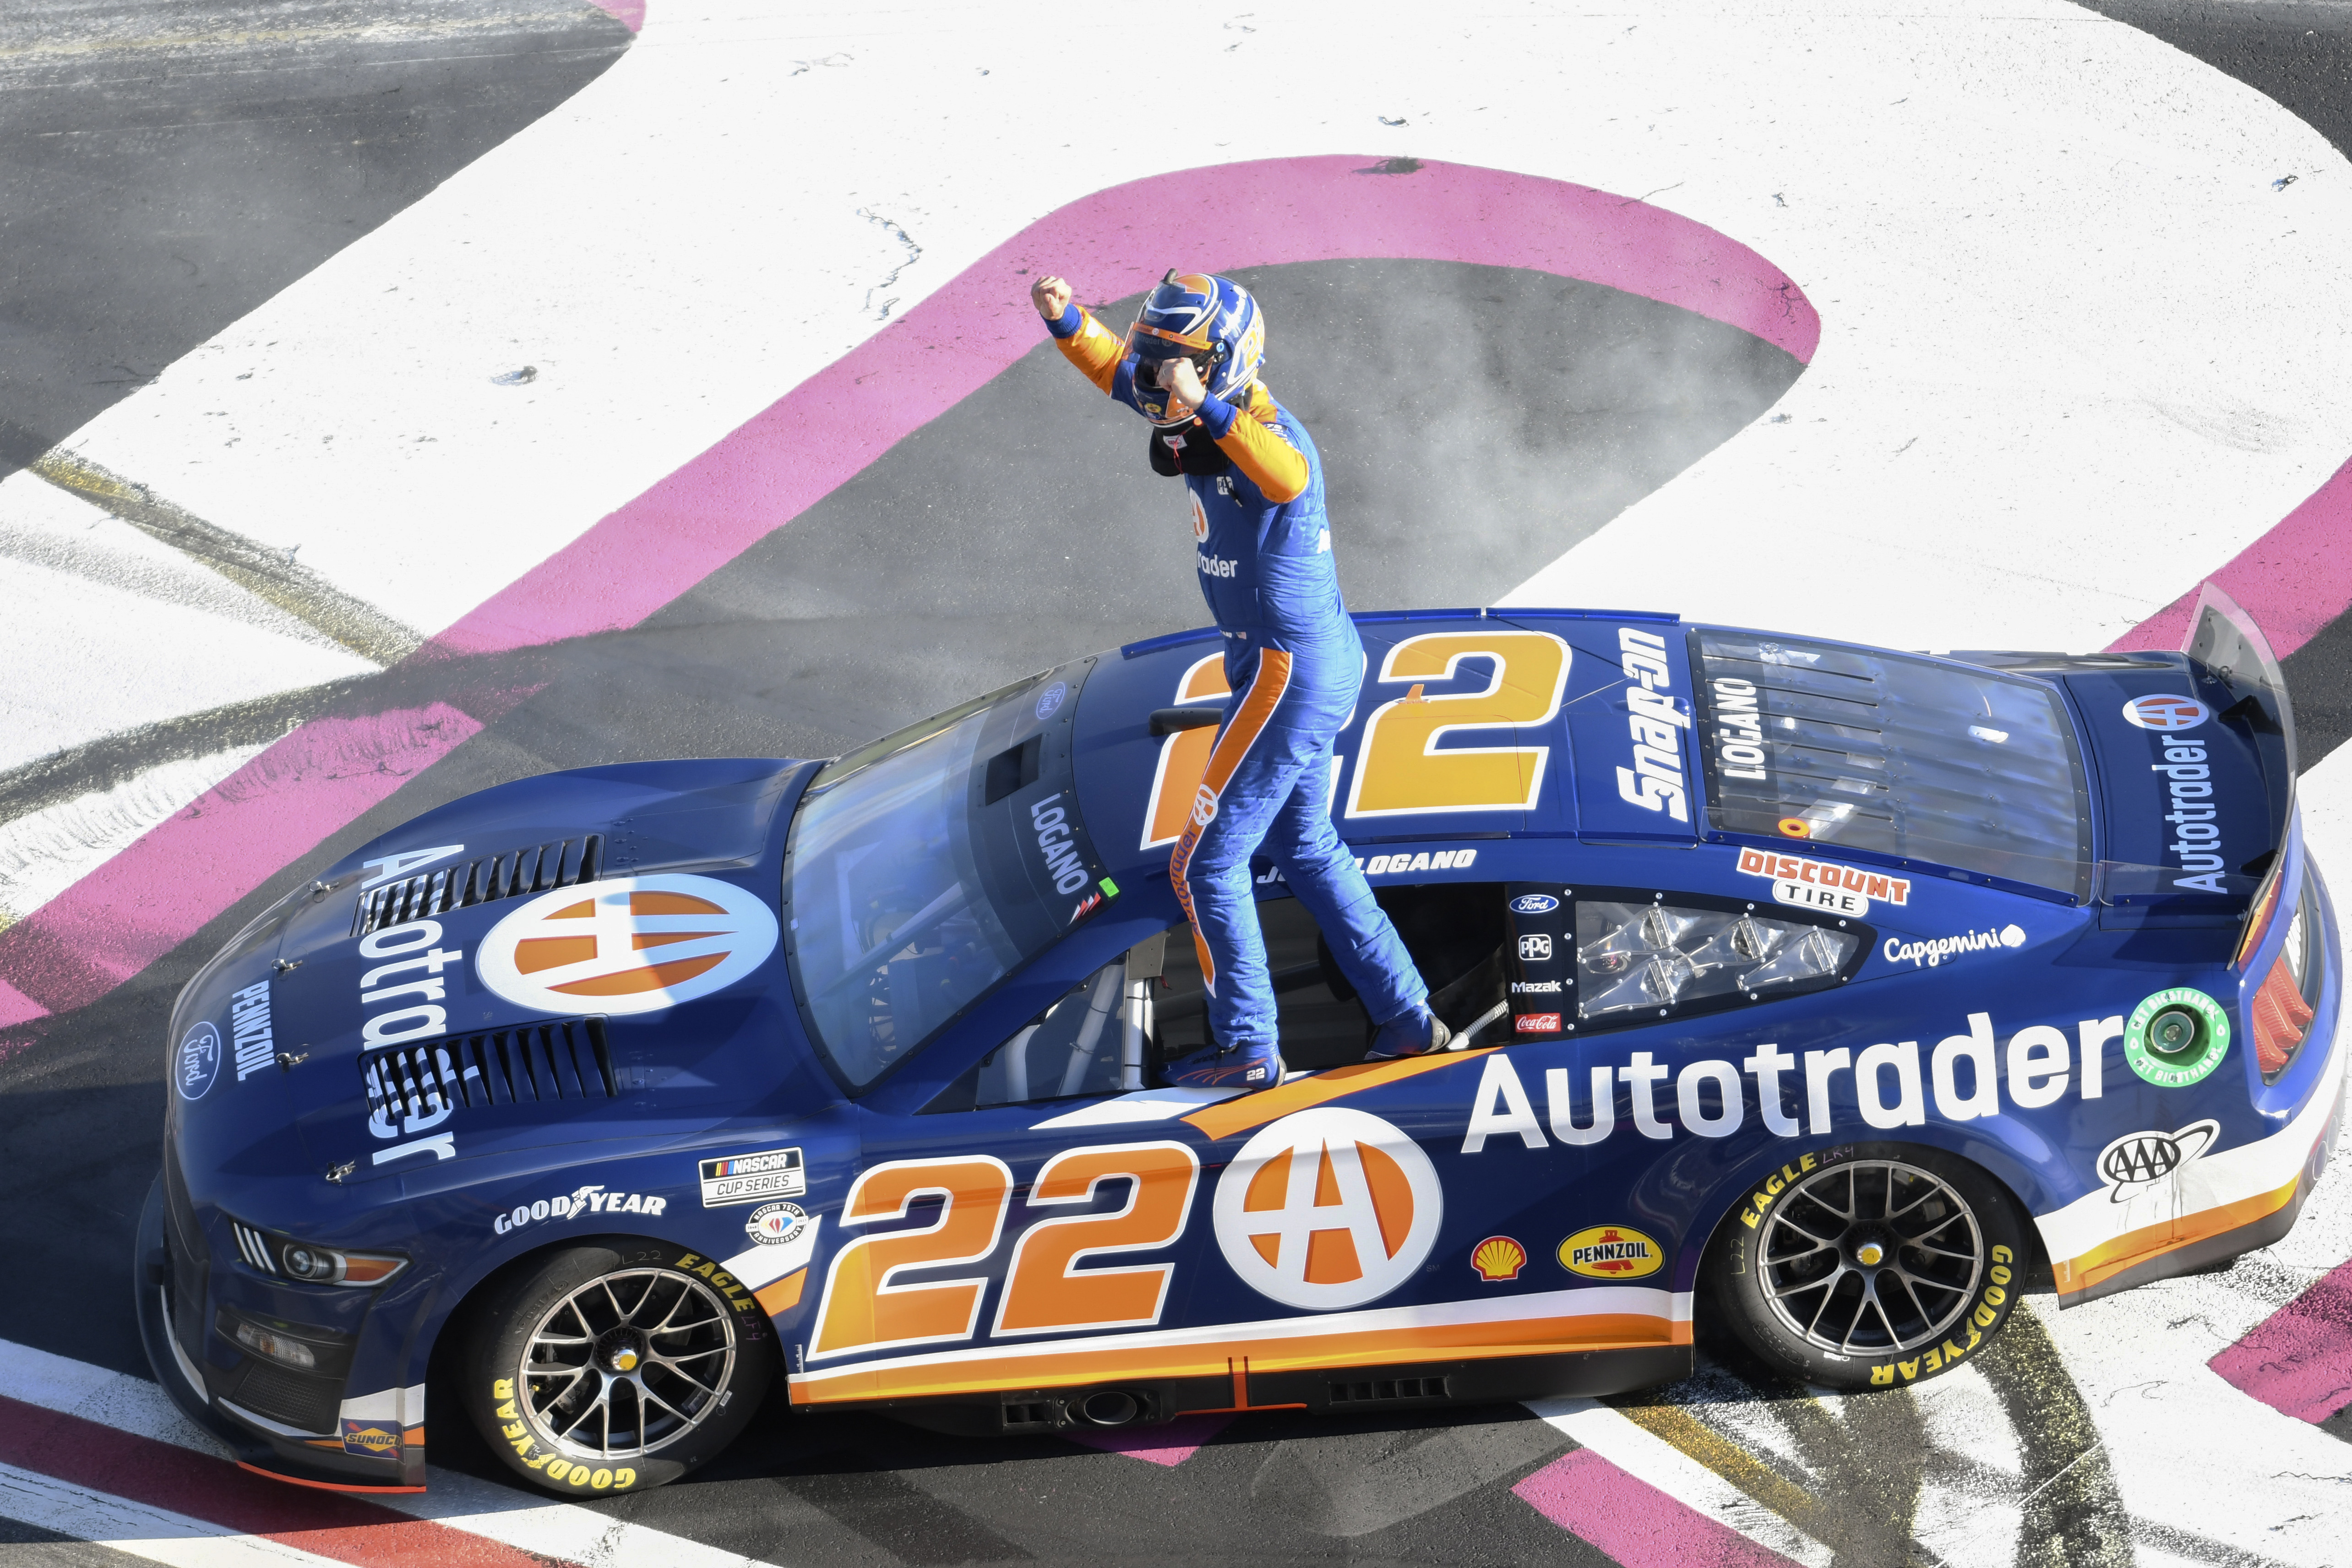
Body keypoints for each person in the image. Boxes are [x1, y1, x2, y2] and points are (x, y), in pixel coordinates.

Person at [1027, 269, 1448, 1089]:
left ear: (1219, 367)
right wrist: (1070, 320)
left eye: (1176, 365)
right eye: (1160, 362)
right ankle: (1408, 1021)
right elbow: (1122, 372)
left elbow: (1287, 477)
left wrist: (1208, 404)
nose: (1157, 379)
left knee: (1204, 865)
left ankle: (1251, 1050)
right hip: (1289, 662)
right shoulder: (1190, 403)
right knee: (1305, 846)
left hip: (1287, 674)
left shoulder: (1267, 432)